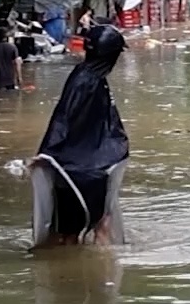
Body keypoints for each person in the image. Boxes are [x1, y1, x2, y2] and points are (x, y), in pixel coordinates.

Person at [35, 25, 129, 245]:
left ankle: (70, 273)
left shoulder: (87, 76)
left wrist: (48, 154)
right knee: (101, 226)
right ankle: (103, 272)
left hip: (73, 169)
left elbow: (66, 117)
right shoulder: (88, 81)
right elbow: (65, 117)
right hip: (89, 170)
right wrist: (46, 153)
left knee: (68, 234)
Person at [0, 27, 23, 92]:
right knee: (10, 98)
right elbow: (17, 64)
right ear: (6, 36)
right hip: (10, 79)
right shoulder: (12, 47)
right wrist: (19, 78)